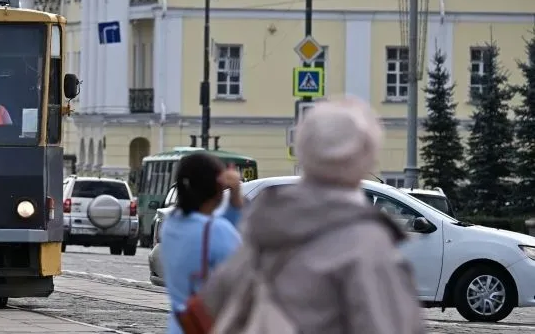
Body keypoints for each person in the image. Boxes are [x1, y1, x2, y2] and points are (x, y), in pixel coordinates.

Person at [198, 96, 425, 334]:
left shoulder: (265, 228)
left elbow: (212, 303)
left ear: (303, 151)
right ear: (367, 157)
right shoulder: (366, 245)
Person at [159, 152, 243, 334]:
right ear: (218, 187)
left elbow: (208, 226)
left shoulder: (171, 223)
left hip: (180, 326)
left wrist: (233, 199)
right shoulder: (216, 231)